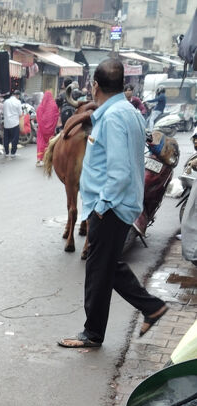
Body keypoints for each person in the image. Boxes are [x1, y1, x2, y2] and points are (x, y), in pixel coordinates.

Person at [58, 59, 168, 349]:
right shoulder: (129, 112)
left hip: (111, 207)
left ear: (95, 86)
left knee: (99, 269)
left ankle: (96, 332)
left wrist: (101, 207)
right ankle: (149, 308)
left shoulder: (113, 117)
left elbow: (118, 171)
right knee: (105, 266)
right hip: (120, 204)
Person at [35, 90, 59, 167]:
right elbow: (56, 116)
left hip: (41, 129)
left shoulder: (41, 106)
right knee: (49, 143)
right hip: (51, 130)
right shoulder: (54, 106)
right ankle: (47, 159)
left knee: (41, 143)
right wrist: (53, 126)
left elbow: (38, 116)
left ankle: (39, 160)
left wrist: (42, 125)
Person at [2, 89, 22, 158]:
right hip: (14, 123)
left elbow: (3, 111)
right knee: (14, 138)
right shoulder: (18, 102)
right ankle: (13, 153)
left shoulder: (5, 102)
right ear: (17, 95)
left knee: (6, 138)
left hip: (6, 123)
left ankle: (7, 152)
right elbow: (20, 113)